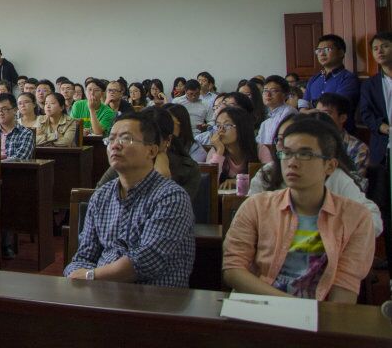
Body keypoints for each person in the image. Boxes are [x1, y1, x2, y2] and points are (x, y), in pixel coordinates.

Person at [223, 118, 375, 301]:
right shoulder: (256, 206)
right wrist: (293, 307)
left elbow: (344, 289)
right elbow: (233, 269)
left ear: (330, 166)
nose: (292, 162)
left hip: (320, 313)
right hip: (258, 307)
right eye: (286, 153)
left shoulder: (356, 218)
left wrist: (306, 313)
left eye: (305, 154)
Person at [64, 111, 195, 287]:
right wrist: (75, 273)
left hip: (153, 297)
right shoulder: (101, 196)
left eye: (126, 139)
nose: (115, 145)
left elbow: (145, 262)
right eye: (110, 139)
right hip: (100, 292)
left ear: (151, 150)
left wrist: (89, 276)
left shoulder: (171, 197)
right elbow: (83, 256)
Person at [251, 113, 382, 235]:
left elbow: (373, 220)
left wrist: (331, 233)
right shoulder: (267, 173)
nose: (286, 147)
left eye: (303, 152)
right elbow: (250, 220)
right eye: (281, 140)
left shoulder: (335, 177)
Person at [98, 106, 202, 207]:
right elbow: (98, 198)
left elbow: (176, 208)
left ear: (168, 140)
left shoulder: (188, 169)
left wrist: (162, 179)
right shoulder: (126, 162)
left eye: (153, 138)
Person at [359, 31, 392, 244]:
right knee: (386, 205)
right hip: (383, 151)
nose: (379, 51)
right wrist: (384, 128)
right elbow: (366, 114)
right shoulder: (370, 84)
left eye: (385, 46)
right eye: (375, 48)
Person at [206, 106, 267, 189]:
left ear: (242, 127)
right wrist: (219, 151)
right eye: (218, 125)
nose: (221, 130)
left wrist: (239, 181)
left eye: (227, 125)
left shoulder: (259, 149)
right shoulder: (215, 151)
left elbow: (270, 178)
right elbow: (208, 183)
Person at [302, 34, 359, 122]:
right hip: (314, 127)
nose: (322, 54)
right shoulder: (314, 79)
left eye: (327, 49)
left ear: (341, 53)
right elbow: (303, 108)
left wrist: (311, 111)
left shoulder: (348, 79)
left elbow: (336, 108)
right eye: (319, 51)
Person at [315, 92, 369, 172]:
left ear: (342, 118)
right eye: (317, 113)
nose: (319, 117)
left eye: (326, 114)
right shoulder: (309, 141)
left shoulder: (357, 148)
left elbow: (355, 179)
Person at [0, 93, 34, 161]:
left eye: (4, 109)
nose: (0, 113)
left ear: (15, 110)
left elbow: (20, 158)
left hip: (11, 167)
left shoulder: (26, 133)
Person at [258, 75, 297, 159]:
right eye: (265, 90)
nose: (268, 94)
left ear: (285, 95)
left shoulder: (289, 112)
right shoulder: (265, 123)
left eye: (273, 91)